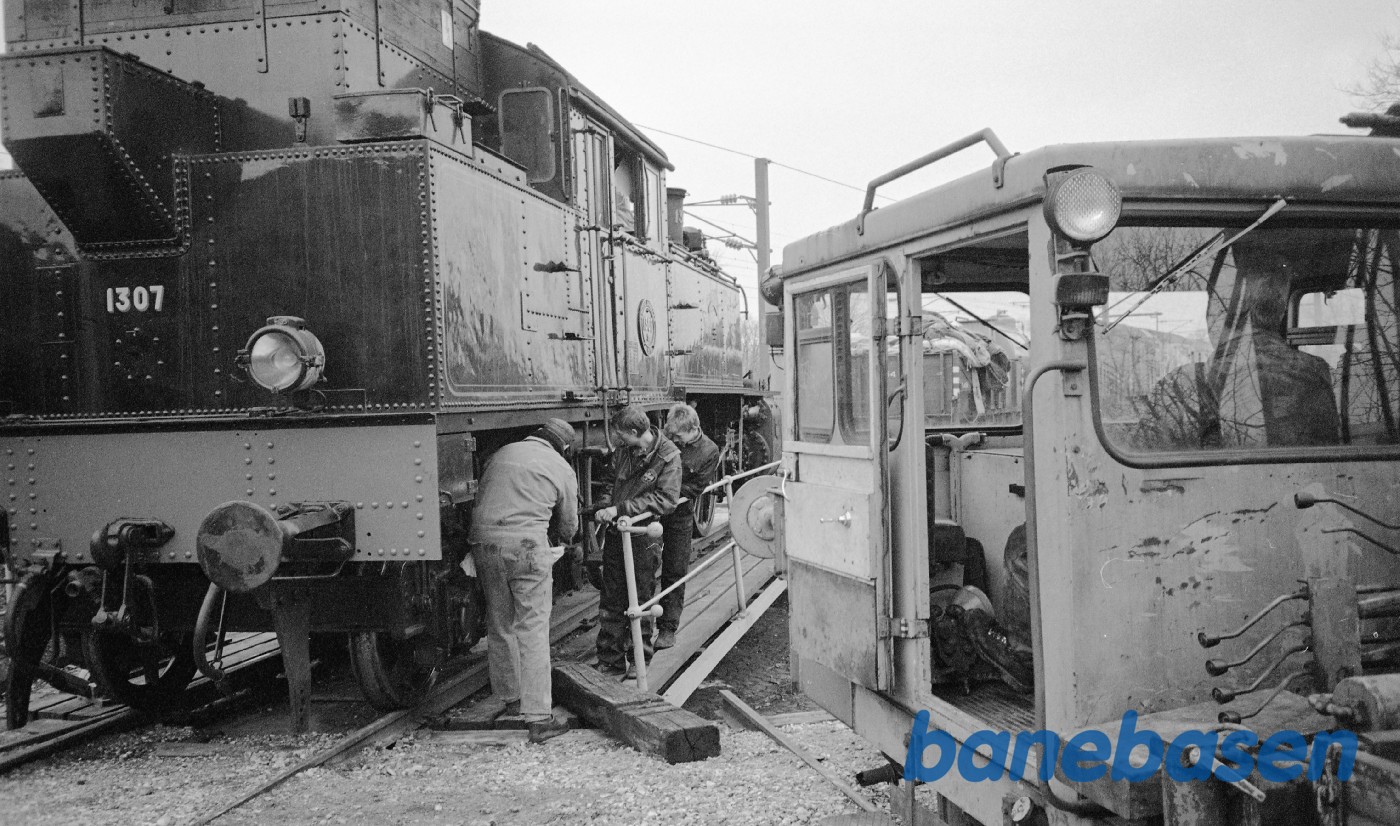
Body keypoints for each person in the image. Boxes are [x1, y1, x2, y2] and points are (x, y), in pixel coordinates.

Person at [468, 419, 578, 744]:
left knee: (499, 623)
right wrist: (563, 538)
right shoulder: (559, 465)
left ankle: (512, 700)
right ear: (564, 446)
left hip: (484, 543)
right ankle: (539, 718)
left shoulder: (502, 453)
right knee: (532, 626)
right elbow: (569, 524)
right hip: (527, 546)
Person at [593, 405, 681, 677]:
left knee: (641, 596)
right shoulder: (623, 451)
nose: (617, 441)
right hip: (618, 531)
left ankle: (639, 659)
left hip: (644, 535)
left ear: (634, 432)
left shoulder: (668, 457)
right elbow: (610, 482)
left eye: (621, 435)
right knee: (612, 596)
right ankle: (610, 659)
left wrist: (621, 509)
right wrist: (605, 504)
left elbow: (666, 500)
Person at [655, 404, 720, 650]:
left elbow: (696, 487)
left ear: (693, 430)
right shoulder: (665, 437)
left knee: (675, 567)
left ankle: (667, 628)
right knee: (645, 566)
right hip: (653, 510)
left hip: (679, 514)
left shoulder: (709, 451)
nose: (673, 441)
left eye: (678, 437)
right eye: (670, 435)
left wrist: (667, 490)